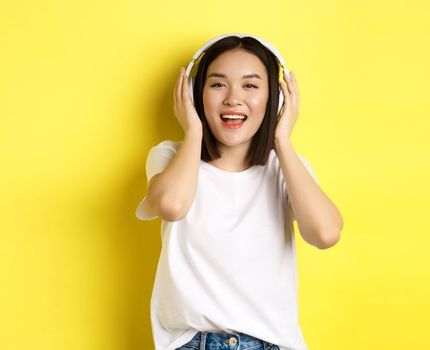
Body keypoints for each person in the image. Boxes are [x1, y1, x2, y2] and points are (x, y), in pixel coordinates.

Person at [135, 34, 344, 350]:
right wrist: (193, 132)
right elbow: (172, 205)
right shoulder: (169, 157)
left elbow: (326, 233)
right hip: (194, 343)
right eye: (218, 85)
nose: (233, 98)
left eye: (250, 85)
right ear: (194, 95)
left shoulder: (286, 167)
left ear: (276, 99)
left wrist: (282, 141)